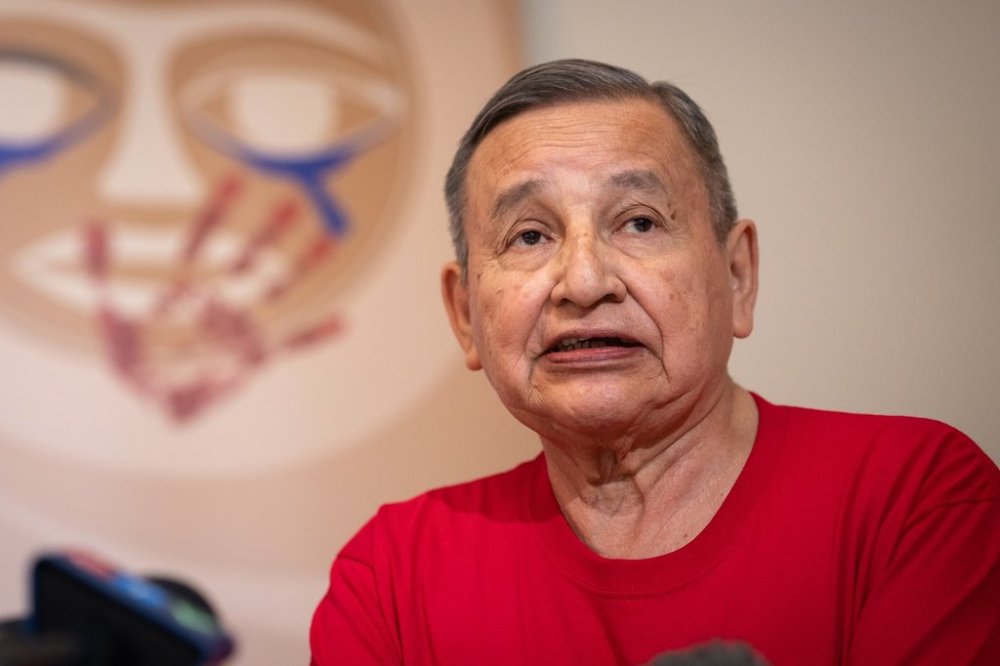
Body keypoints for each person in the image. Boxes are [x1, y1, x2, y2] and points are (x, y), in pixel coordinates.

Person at [309, 59, 1000, 665]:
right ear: (465, 314)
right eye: (530, 235)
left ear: (737, 275)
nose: (584, 282)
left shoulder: (914, 498)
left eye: (639, 221)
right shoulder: (393, 577)